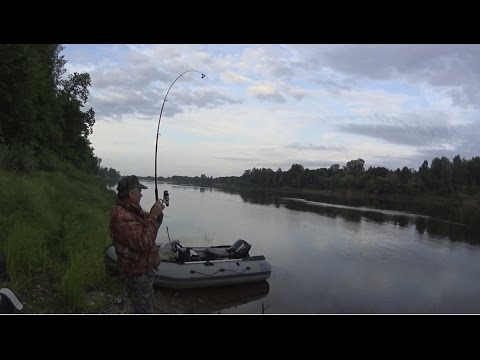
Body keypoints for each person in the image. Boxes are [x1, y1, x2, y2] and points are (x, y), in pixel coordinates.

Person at [109, 175, 165, 314]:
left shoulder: (132, 211)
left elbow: (149, 227)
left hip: (143, 269)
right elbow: (144, 243)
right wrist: (153, 216)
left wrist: (157, 215)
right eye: (139, 191)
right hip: (137, 272)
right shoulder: (122, 217)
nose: (141, 194)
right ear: (131, 194)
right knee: (143, 309)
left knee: (144, 304)